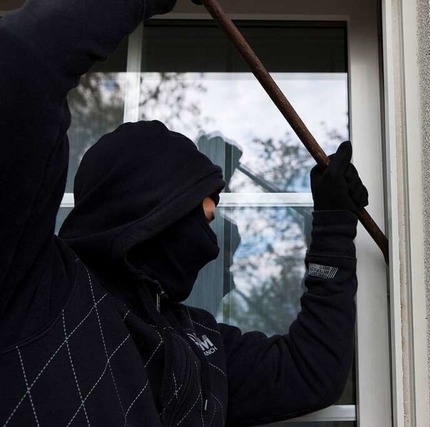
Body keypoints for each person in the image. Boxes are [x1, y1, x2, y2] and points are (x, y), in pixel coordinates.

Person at [0, 0, 369, 426]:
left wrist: (334, 227)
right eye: (204, 202)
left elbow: (310, 373)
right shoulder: (33, 285)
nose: (212, 227)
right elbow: (21, 61)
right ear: (150, 201)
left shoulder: (201, 345)